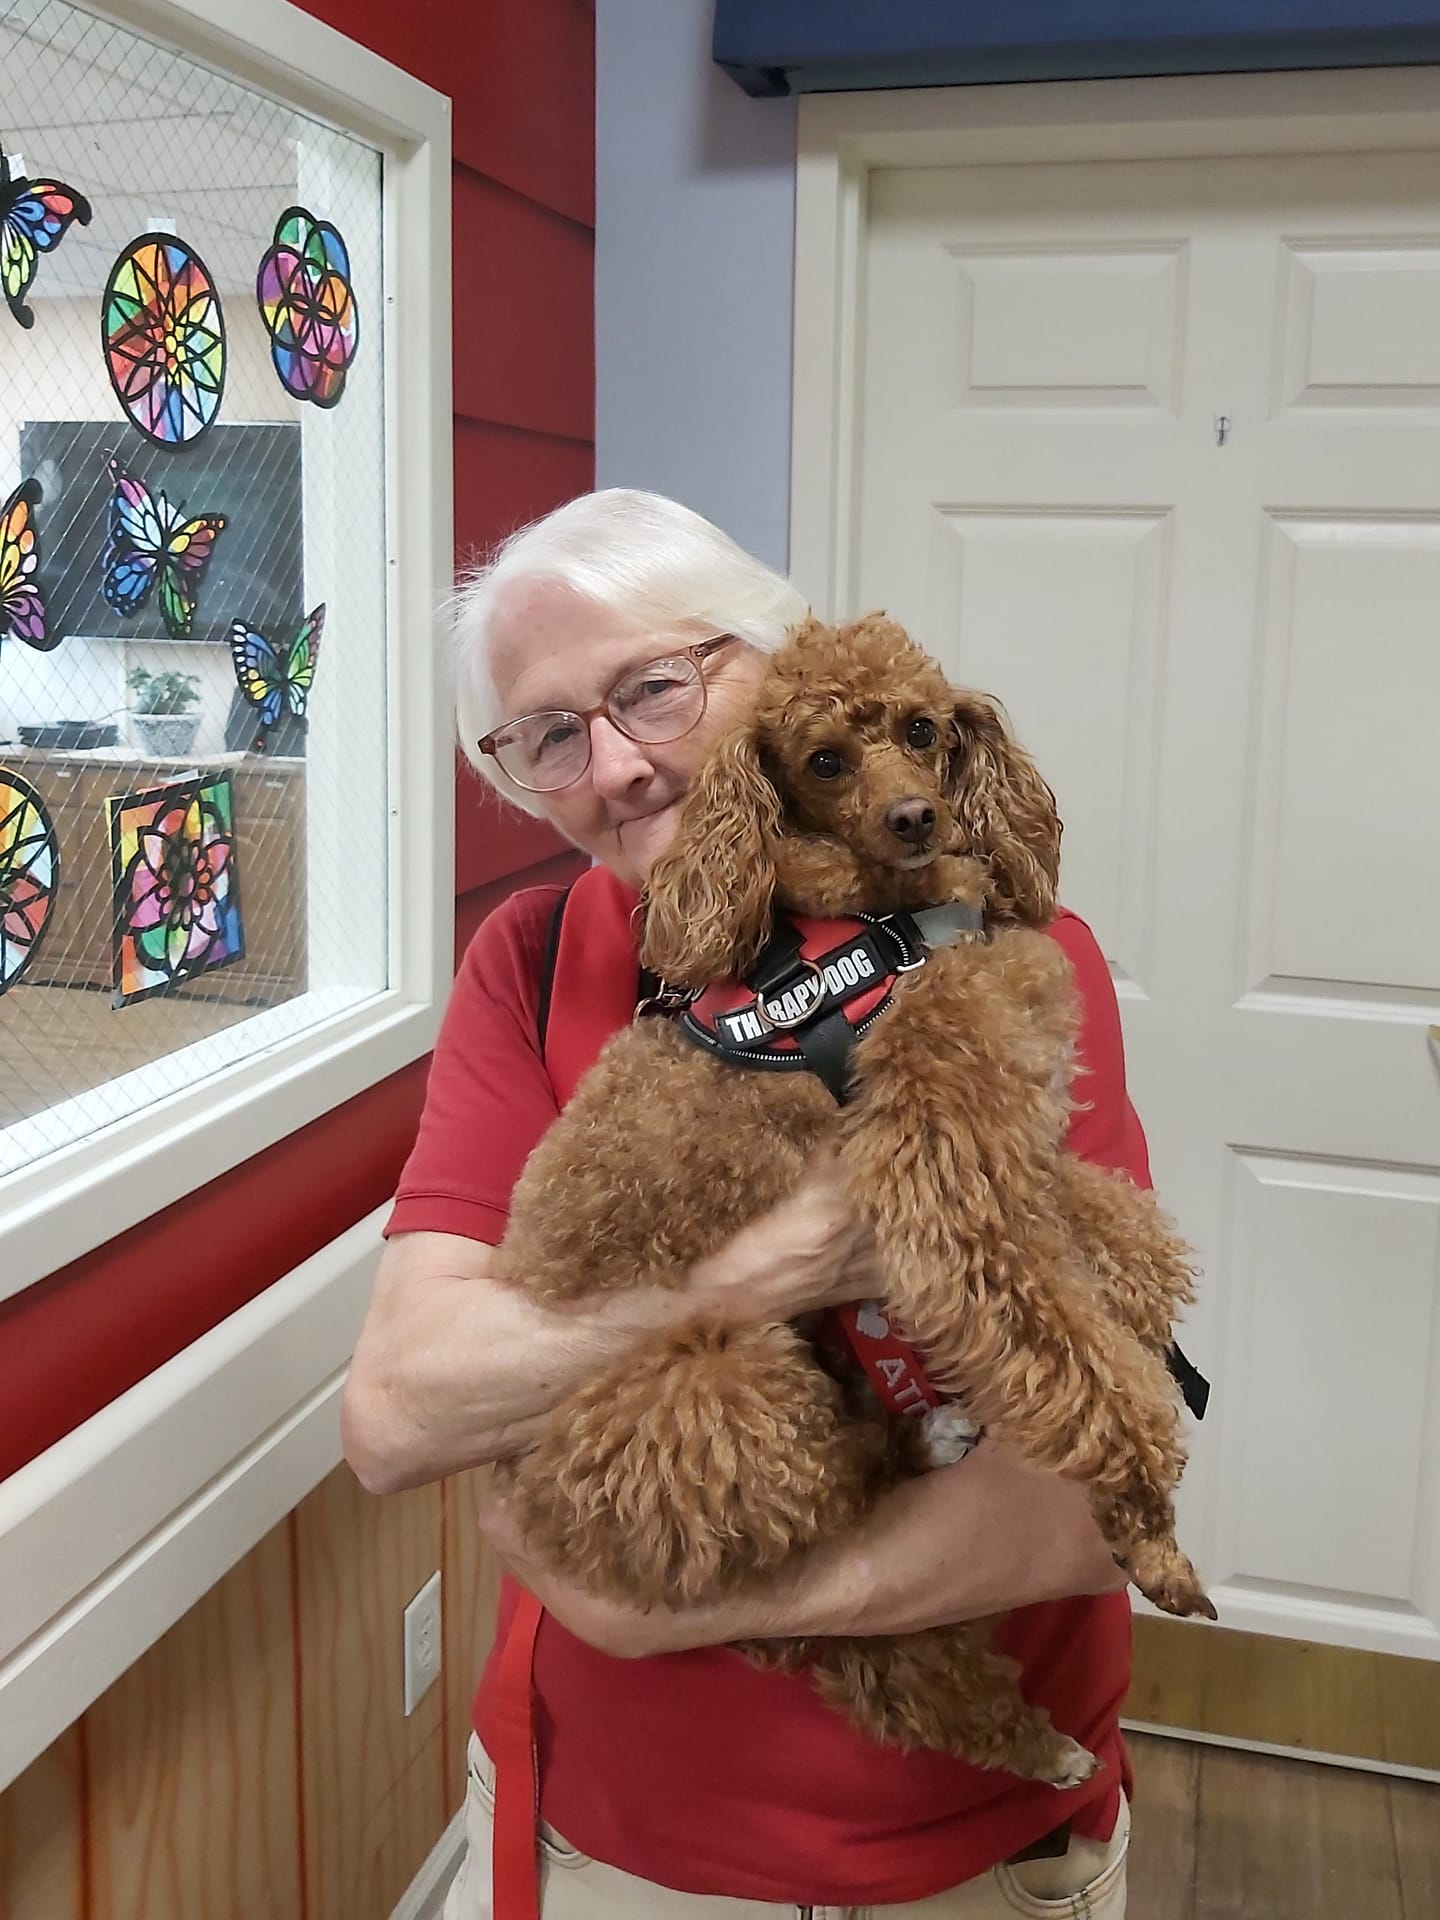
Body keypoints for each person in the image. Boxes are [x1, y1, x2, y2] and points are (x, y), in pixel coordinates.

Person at [343, 488, 1147, 1919]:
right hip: (602, 1846)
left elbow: (1096, 1501)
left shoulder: (993, 945)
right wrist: (769, 1270)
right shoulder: (531, 959)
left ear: (776, 661)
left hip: (969, 1856)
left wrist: (683, 1610)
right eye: (548, 736)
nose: (617, 766)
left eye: (654, 689)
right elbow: (401, 1413)